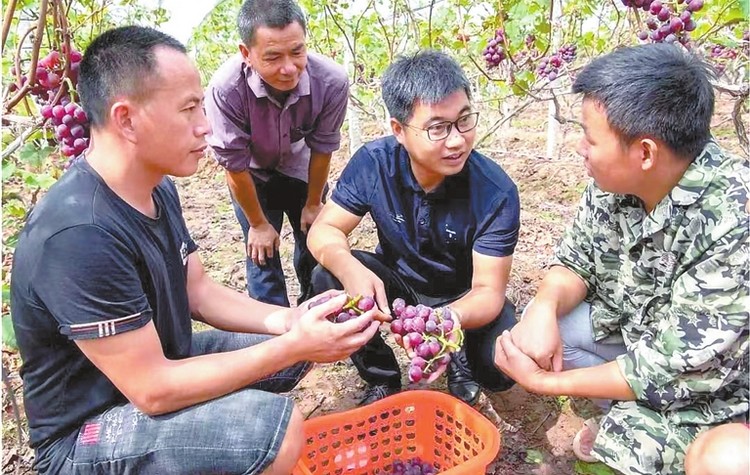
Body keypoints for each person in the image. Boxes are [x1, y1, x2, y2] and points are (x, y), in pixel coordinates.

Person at [10, 26, 381, 475]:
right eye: (188, 108)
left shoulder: (155, 187)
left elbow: (198, 290)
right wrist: (291, 346)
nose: (205, 124)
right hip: (86, 434)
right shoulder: (78, 232)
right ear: (126, 119)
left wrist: (291, 322)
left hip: (156, 368)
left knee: (290, 344)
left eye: (201, 104)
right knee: (272, 428)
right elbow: (153, 389)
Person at [495, 43, 748, 475]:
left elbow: (668, 368)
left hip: (718, 381)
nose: (580, 147)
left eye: (591, 138)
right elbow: (575, 260)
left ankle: (655, 429)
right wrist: (542, 306)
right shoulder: (614, 182)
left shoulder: (733, 220)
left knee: (680, 452)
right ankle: (625, 413)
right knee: (542, 333)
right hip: (647, 339)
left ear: (645, 153)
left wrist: (544, 384)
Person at [307, 50, 520, 406]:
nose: (456, 140)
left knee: (498, 369)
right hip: (398, 285)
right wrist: (349, 268)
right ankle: (382, 376)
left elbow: (488, 289)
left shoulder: (495, 192)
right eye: (437, 128)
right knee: (326, 279)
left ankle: (461, 357)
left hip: (462, 295)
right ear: (398, 130)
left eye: (464, 120)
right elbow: (324, 230)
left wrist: (448, 320)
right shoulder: (374, 164)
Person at [204, 0, 349, 307]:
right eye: (272, 57)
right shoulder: (225, 90)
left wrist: (313, 203)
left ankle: (319, 321)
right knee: (262, 256)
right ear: (246, 53)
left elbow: (322, 147)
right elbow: (234, 166)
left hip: (302, 169)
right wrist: (257, 224)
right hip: (252, 175)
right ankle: (278, 342)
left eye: (297, 52)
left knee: (314, 245)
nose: (288, 68)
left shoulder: (331, 81)